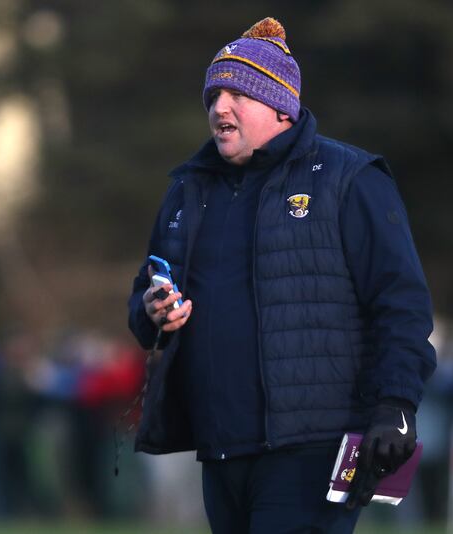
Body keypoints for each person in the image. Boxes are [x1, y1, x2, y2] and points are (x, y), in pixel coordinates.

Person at [128, 17, 436, 533]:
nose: (218, 108)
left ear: (280, 105)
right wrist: (150, 308)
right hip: (220, 448)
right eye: (212, 96)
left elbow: (400, 304)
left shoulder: (350, 179)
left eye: (235, 94)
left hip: (313, 448)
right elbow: (145, 295)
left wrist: (396, 404)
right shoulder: (188, 190)